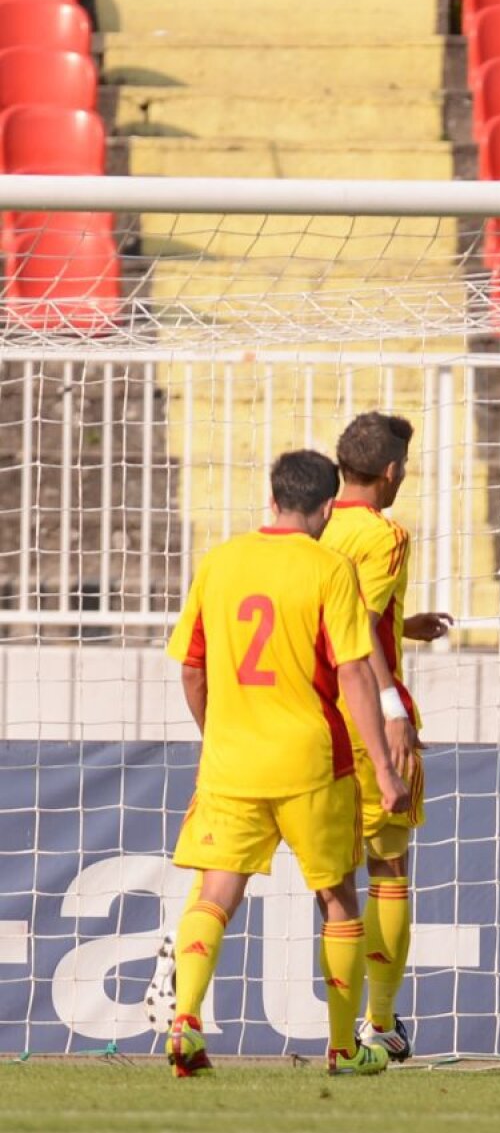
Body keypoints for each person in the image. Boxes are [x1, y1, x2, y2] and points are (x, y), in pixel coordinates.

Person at [164, 449, 406, 1079]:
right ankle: (344, 1049)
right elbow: (354, 670)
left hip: (231, 762)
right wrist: (383, 767)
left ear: (271, 499)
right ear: (328, 507)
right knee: (339, 899)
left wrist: (216, 731)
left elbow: (192, 667)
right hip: (312, 763)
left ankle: (185, 1018)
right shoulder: (329, 568)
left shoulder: (219, 562)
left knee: (215, 889)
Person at [320, 411, 453, 1063]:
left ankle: (339, 1035)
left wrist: (405, 623)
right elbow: (363, 626)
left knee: (331, 881)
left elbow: (331, 619)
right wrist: (394, 705)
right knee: (388, 868)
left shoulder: (312, 523)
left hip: (312, 721)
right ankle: (379, 1023)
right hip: (367, 715)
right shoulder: (385, 534)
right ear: (393, 471)